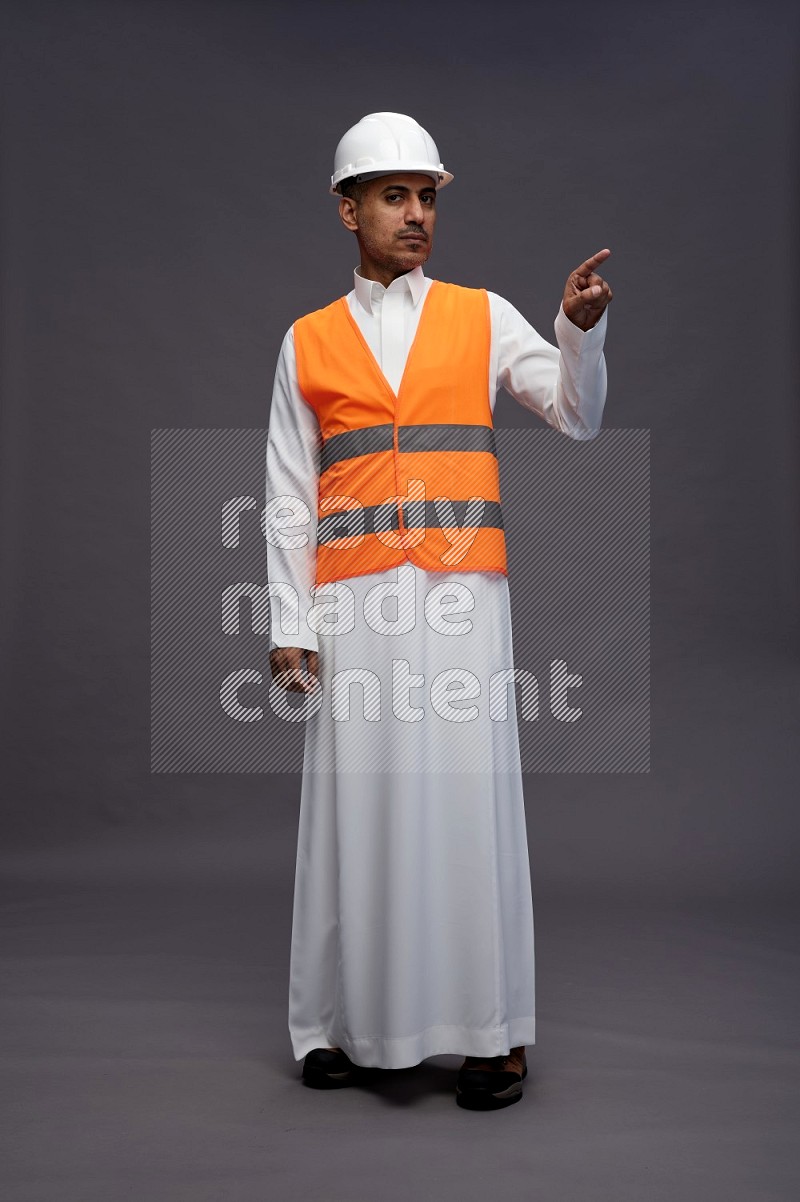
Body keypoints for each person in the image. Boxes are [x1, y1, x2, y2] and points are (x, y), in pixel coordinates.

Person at [265, 112, 612, 1110]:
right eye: (393, 195)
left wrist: (577, 331)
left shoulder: (481, 313)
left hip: (461, 600)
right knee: (353, 805)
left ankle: (493, 1035)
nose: (416, 213)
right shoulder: (306, 342)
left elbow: (576, 415)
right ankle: (336, 1024)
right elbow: (288, 491)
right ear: (347, 209)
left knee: (467, 801)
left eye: (427, 196)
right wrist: (288, 625)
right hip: (353, 602)